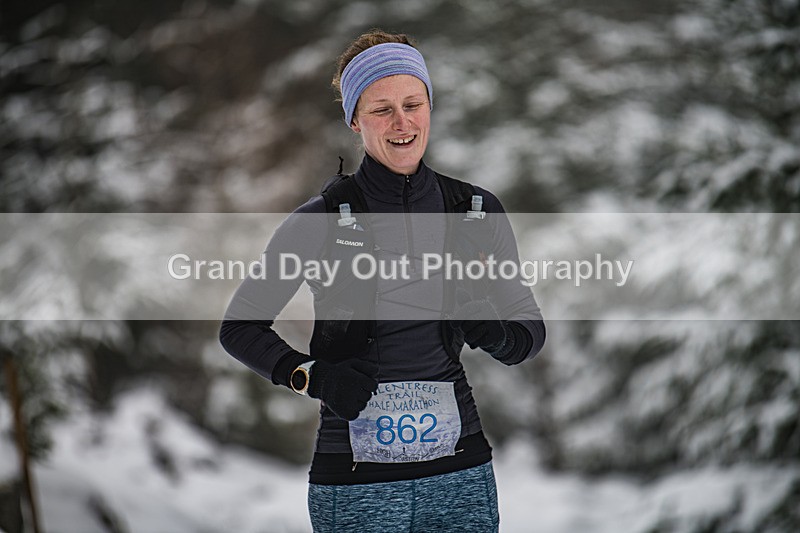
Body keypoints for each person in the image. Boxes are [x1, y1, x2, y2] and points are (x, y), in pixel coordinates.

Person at [219, 29, 545, 533]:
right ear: (355, 119)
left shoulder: (476, 210)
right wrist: (312, 376)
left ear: (430, 106)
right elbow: (239, 328)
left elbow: (530, 331)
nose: (402, 122)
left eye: (413, 104)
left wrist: (497, 334)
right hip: (354, 480)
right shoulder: (320, 220)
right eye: (381, 109)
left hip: (459, 473)